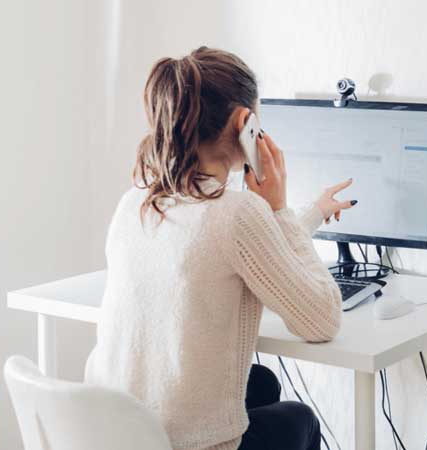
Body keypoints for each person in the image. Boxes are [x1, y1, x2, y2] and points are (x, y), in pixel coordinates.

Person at [84, 46, 353, 450]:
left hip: (120, 434)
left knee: (260, 383)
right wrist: (277, 207)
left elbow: (235, 248)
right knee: (299, 419)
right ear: (246, 122)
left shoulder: (136, 202)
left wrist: (311, 213)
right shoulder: (238, 212)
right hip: (189, 444)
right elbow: (322, 319)